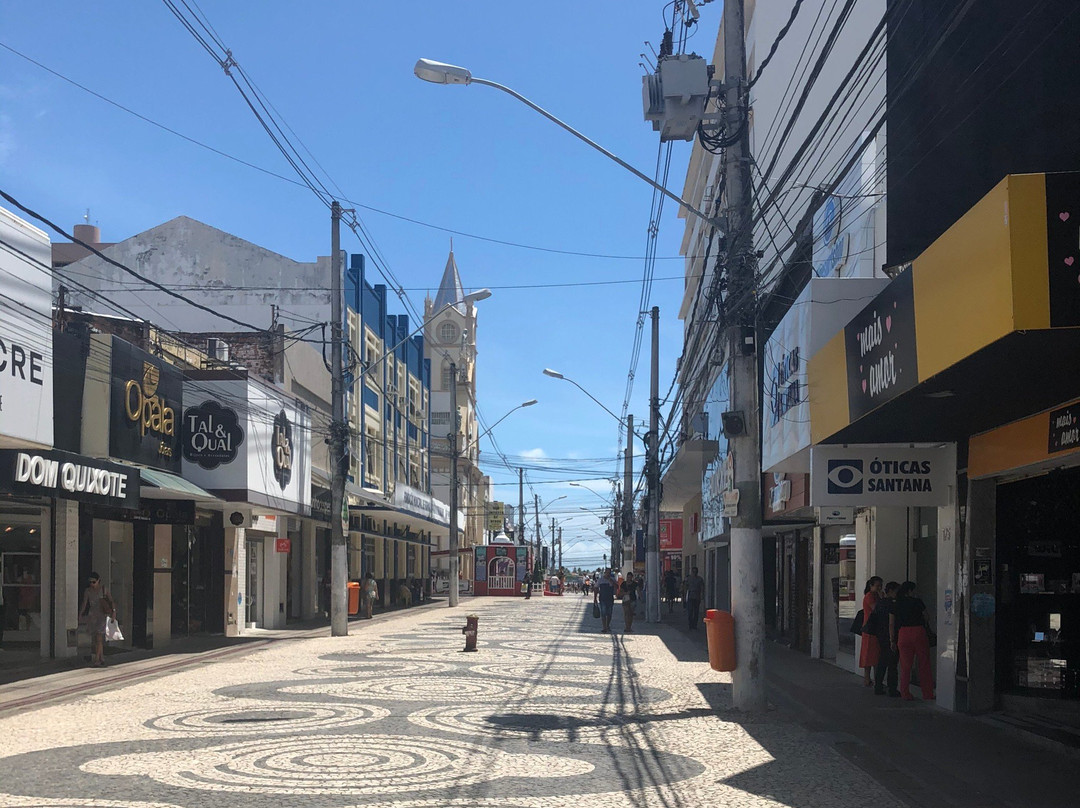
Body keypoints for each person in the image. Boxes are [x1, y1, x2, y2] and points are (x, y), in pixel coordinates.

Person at [891, 580, 935, 701]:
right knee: (924, 664)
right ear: (910, 591)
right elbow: (927, 617)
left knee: (905, 666)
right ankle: (928, 693)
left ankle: (905, 692)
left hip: (903, 634)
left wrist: (892, 640)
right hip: (918, 632)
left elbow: (892, 623)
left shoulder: (897, 603)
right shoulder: (917, 601)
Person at [870, 581, 901, 696]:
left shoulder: (880, 603)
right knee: (892, 664)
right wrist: (892, 639)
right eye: (897, 591)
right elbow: (891, 623)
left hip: (880, 635)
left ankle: (878, 686)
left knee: (882, 661)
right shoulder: (893, 604)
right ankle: (892, 689)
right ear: (892, 591)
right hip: (890, 635)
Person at [79, 572, 115, 668]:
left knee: (99, 638)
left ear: (98, 580)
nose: (92, 584)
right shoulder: (88, 591)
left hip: (102, 615)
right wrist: (81, 614)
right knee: (95, 639)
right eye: (90, 582)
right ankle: (101, 657)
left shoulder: (103, 589)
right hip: (92, 616)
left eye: (94, 582)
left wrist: (113, 612)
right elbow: (84, 603)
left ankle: (96, 660)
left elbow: (111, 601)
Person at [860, 576, 883, 686]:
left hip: (875, 628)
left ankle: (872, 678)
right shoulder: (870, 596)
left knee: (874, 654)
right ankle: (867, 678)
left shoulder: (874, 596)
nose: (879, 588)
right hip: (870, 629)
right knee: (869, 654)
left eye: (880, 586)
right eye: (877, 586)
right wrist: (881, 598)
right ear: (871, 585)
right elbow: (876, 609)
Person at [594, 569, 616, 633]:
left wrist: (611, 581)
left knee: (609, 613)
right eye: (607, 573)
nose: (608, 574)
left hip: (610, 598)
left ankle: (608, 625)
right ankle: (604, 627)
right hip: (602, 598)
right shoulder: (600, 580)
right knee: (603, 613)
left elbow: (616, 587)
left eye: (609, 573)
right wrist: (595, 598)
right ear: (605, 573)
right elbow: (596, 588)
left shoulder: (612, 579)